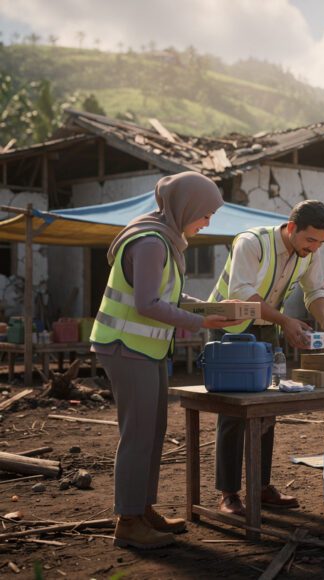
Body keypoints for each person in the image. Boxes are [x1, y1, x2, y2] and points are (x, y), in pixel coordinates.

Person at [90, 171, 239, 549]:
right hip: (126, 347)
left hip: (148, 349)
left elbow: (168, 293)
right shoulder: (151, 242)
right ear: (184, 206)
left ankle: (142, 509)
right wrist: (202, 321)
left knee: (152, 433)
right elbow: (146, 304)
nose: (207, 222)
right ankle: (127, 521)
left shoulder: (167, 240)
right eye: (205, 214)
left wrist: (207, 306)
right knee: (137, 436)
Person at [211, 199, 324, 516]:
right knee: (233, 409)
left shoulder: (310, 251)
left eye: (321, 242)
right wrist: (286, 321)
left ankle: (261, 485)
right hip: (228, 327)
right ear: (292, 228)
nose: (314, 247)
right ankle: (228, 493)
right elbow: (243, 294)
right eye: (310, 239)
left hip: (267, 328)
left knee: (267, 409)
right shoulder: (251, 242)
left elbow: (316, 292)